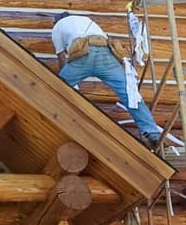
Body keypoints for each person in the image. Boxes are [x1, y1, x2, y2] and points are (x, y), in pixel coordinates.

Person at [52, 12, 164, 146]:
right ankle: (152, 132)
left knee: (56, 90)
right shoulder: (85, 20)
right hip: (106, 53)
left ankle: (52, 120)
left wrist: (67, 83)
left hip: (83, 56)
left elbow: (61, 58)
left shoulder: (58, 26)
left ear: (56, 21)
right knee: (130, 93)